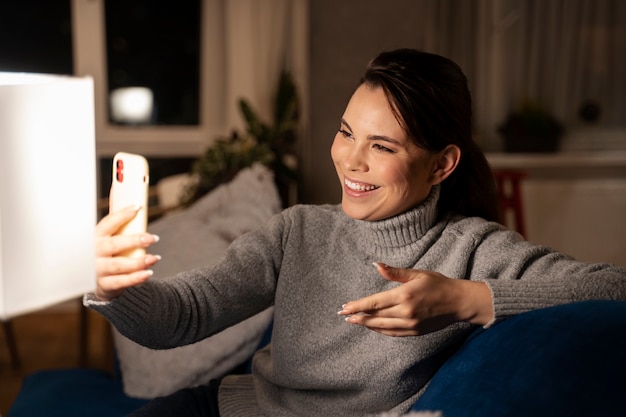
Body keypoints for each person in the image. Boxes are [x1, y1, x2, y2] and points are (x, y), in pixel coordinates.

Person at [86, 49, 626, 417]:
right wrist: (115, 287)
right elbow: (184, 316)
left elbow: (614, 288)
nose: (351, 161)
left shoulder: (473, 249)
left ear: (441, 165)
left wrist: (467, 299)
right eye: (346, 132)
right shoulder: (298, 230)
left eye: (383, 147)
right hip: (229, 407)